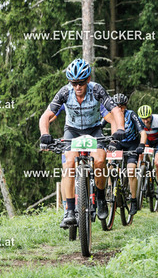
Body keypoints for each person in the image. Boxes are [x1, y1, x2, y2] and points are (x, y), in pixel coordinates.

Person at [39, 58, 125, 228]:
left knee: (100, 160)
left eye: (81, 83)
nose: (77, 87)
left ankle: (100, 197)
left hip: (93, 130)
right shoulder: (65, 92)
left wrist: (120, 129)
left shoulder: (97, 89)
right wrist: (45, 134)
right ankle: (70, 211)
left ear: (88, 79)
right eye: (74, 83)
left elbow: (115, 110)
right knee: (69, 164)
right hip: (72, 131)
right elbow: (46, 116)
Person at [104, 93, 147, 216]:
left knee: (131, 170)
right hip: (118, 143)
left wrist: (141, 145)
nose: (120, 109)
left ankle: (133, 200)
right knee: (110, 165)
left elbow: (143, 132)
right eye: (117, 106)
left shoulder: (131, 114)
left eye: (122, 106)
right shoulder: (110, 115)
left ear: (125, 106)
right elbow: (99, 127)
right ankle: (110, 189)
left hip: (132, 144)